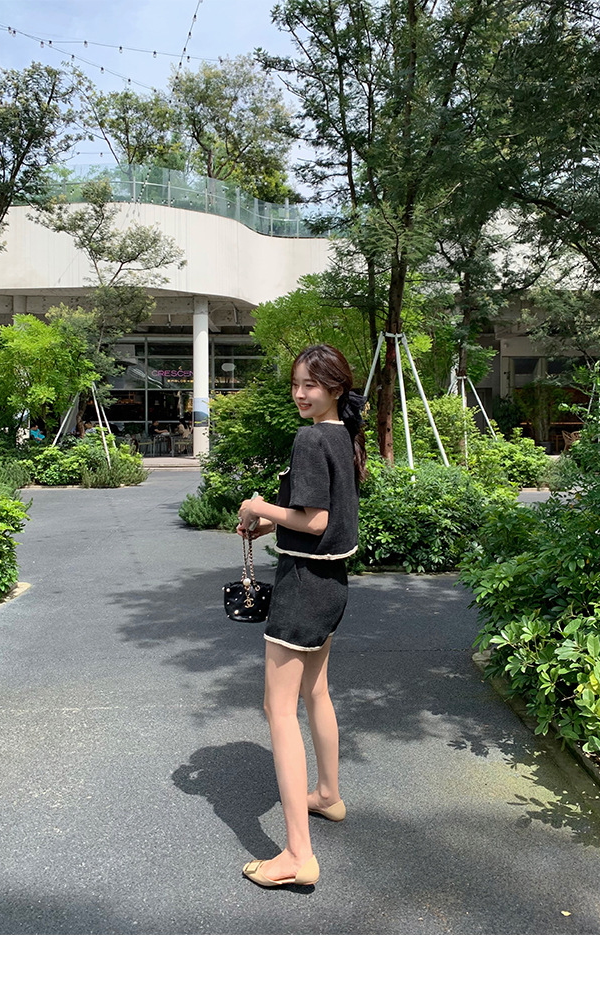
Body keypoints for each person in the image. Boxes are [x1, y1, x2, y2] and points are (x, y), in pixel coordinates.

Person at [236, 344, 367, 889]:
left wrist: (256, 508)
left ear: (335, 387)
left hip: (303, 588)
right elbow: (324, 518)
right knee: (316, 692)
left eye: (309, 384)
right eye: (295, 384)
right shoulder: (341, 435)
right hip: (331, 585)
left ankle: (297, 854)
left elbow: (314, 521)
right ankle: (328, 795)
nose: (299, 393)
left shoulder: (310, 438)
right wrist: (272, 524)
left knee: (278, 709)